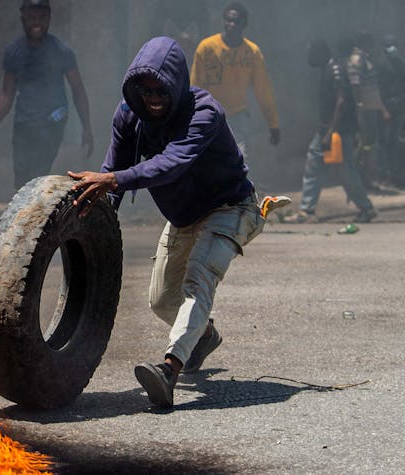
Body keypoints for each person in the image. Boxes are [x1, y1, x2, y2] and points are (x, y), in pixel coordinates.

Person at [68, 36, 267, 408]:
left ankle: (169, 369)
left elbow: (171, 164)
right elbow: (113, 169)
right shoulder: (129, 113)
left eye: (161, 89)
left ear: (177, 83)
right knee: (161, 301)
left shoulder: (204, 113)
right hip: (182, 217)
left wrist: (115, 180)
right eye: (145, 90)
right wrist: (91, 222)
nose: (153, 98)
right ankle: (203, 336)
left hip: (230, 208)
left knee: (198, 282)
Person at [0, 0, 94, 190]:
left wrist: (87, 128)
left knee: (39, 176)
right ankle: (24, 218)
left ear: (49, 18)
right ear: (23, 18)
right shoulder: (13, 51)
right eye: (32, 17)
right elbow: (7, 94)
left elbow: (78, 90)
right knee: (21, 178)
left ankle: (38, 218)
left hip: (52, 122)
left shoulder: (61, 51)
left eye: (42, 17)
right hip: (23, 123)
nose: (37, 22)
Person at [283, 40, 376, 224]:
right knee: (316, 164)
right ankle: (307, 210)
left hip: (337, 132)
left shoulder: (334, 70)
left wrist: (329, 132)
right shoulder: (328, 69)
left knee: (344, 170)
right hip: (330, 130)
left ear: (320, 53)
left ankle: (365, 207)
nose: (309, 58)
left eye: (311, 53)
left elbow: (341, 101)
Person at [190, 2, 279, 161]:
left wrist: (273, 124)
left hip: (237, 116)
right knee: (209, 162)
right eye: (228, 20)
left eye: (236, 21)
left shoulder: (252, 52)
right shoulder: (207, 48)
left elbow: (263, 91)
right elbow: (195, 86)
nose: (231, 25)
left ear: (244, 25)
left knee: (239, 159)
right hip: (210, 114)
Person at [347, 33, 391, 193]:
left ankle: (365, 177)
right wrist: (360, 107)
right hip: (365, 110)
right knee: (364, 145)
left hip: (372, 108)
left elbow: (374, 88)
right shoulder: (357, 60)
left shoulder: (365, 59)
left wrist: (381, 108)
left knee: (369, 144)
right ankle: (360, 178)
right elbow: (355, 86)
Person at [375, 34, 405, 189]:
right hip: (387, 107)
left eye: (393, 44)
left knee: (395, 142)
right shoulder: (382, 65)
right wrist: (383, 110)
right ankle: (384, 175)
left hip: (399, 107)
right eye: (389, 45)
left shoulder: (400, 63)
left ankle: (397, 175)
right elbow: (377, 90)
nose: (392, 48)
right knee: (383, 143)